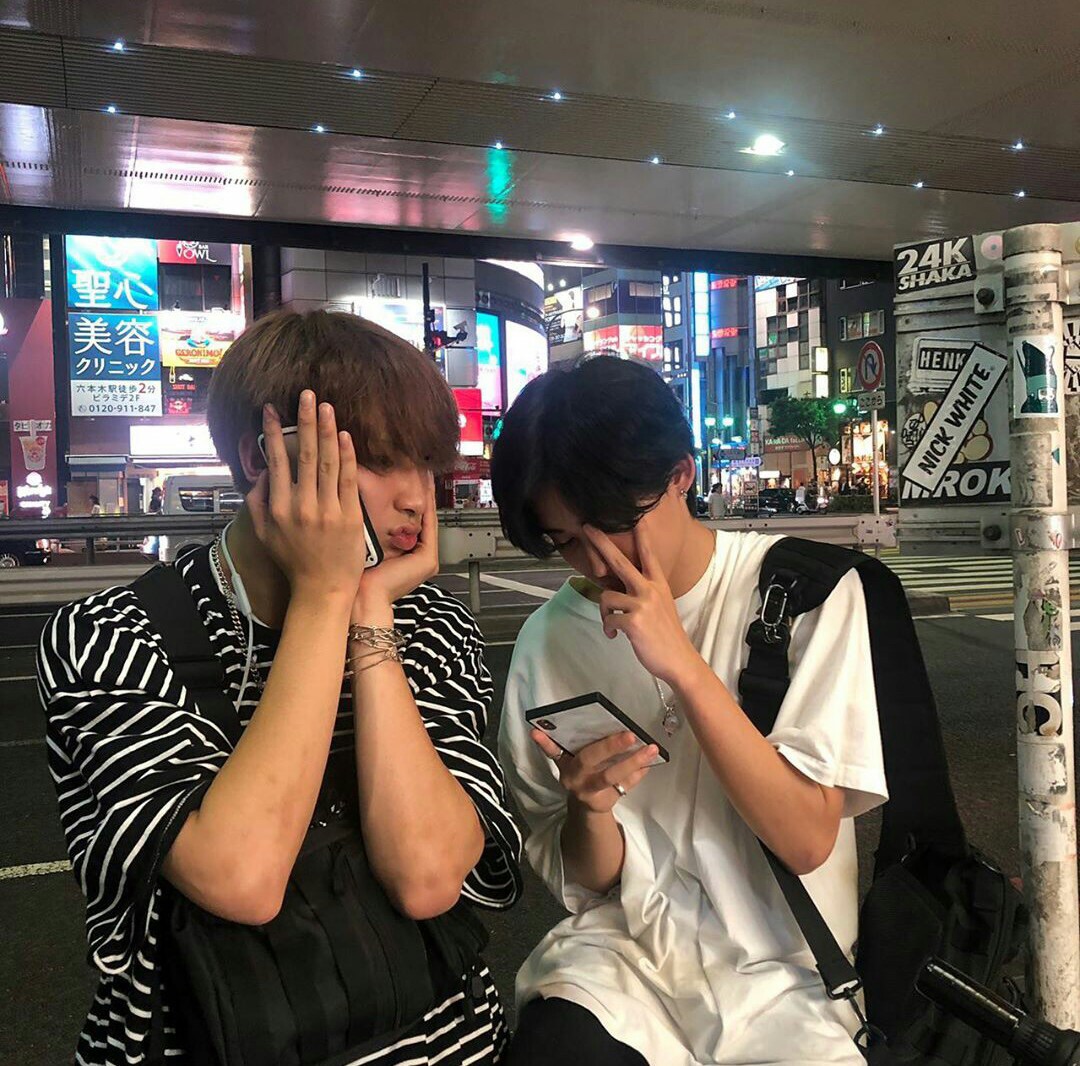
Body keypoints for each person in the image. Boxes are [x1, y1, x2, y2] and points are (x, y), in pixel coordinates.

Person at [38, 310, 523, 1066]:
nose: (417, 497)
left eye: (428, 463)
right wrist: (325, 597)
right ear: (266, 457)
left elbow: (428, 875)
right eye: (382, 460)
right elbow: (241, 877)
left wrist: (368, 612)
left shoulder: (428, 621)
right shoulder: (109, 635)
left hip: (444, 1041)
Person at [490, 356, 886, 1066]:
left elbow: (805, 841)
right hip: (621, 965)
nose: (597, 561)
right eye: (566, 540)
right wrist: (589, 809)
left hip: (786, 979)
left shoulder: (800, 594)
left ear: (681, 475)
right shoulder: (546, 642)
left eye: (613, 523)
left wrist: (683, 666)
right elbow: (592, 883)